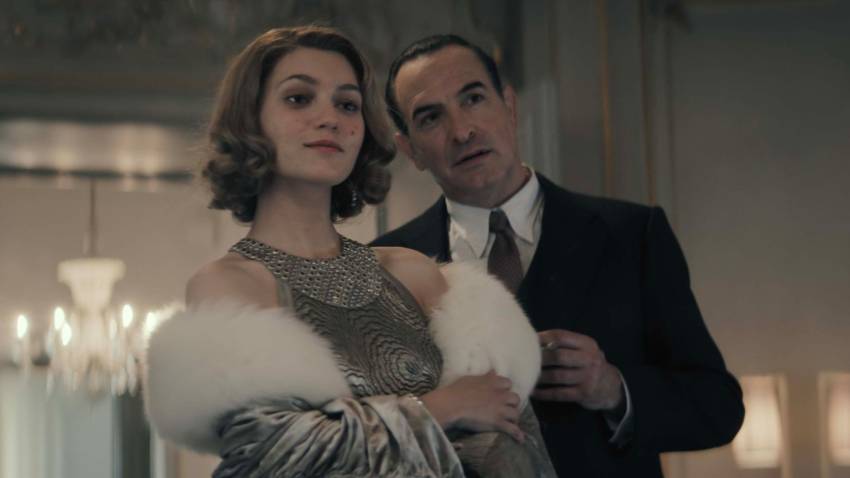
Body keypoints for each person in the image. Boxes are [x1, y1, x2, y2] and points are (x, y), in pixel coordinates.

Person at [142, 26, 556, 477]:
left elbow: (516, 441)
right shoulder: (229, 285)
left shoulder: (412, 271)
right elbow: (274, 455)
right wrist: (440, 409)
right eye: (299, 98)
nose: (330, 118)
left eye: (347, 104)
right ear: (250, 121)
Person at [371, 34, 746, 477]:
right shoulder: (384, 266)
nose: (462, 131)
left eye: (473, 98)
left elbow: (718, 407)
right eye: (431, 117)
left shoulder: (632, 235)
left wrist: (613, 388)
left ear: (509, 106)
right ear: (410, 149)